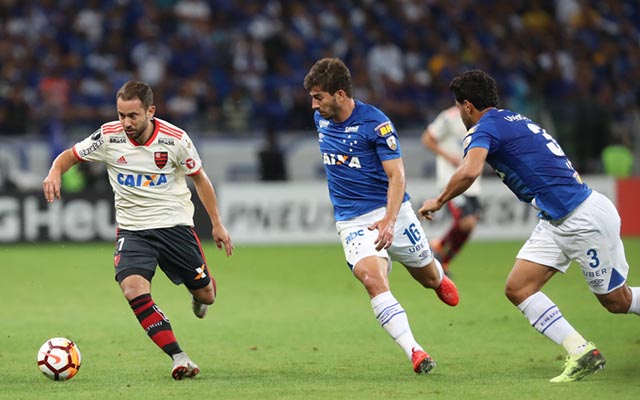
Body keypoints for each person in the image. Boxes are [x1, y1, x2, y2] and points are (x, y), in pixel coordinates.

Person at [419, 69, 640, 383]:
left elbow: (469, 171)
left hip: (581, 219)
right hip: (556, 219)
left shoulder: (484, 128)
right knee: (518, 287)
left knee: (617, 301)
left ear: (468, 106)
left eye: (458, 106)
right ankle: (580, 351)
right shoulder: (515, 119)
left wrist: (439, 200)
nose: (459, 113)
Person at [42, 80, 233, 380]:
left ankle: (197, 295)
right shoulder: (108, 136)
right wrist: (54, 172)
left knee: (207, 294)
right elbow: (69, 156)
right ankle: (179, 357)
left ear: (150, 111)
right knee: (132, 289)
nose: (126, 123)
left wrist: (217, 223)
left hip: (175, 227)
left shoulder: (175, 139)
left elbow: (200, 179)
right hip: (133, 230)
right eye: (121, 115)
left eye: (133, 116)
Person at [303, 57, 459, 375]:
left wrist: (388, 221)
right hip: (353, 221)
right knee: (373, 279)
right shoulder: (322, 121)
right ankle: (415, 351)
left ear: (340, 95)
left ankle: (439, 276)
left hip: (395, 212)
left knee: (427, 276)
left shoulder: (376, 124)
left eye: (319, 97)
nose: (314, 106)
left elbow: (397, 176)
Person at [421, 105, 482, 275]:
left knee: (469, 226)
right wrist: (448, 156)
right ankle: (439, 245)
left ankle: (443, 260)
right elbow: (427, 138)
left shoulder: (482, 119)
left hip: (473, 182)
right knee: (466, 222)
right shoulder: (449, 117)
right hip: (451, 179)